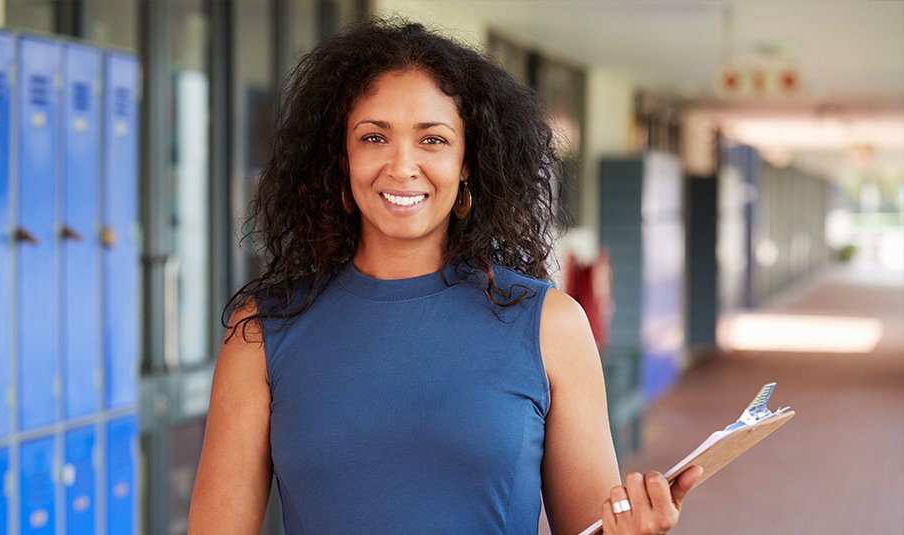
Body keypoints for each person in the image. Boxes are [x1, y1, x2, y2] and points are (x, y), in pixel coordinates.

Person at [188, 18, 701, 535]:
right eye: (373, 137)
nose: (402, 165)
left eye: (432, 139)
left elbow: (590, 527)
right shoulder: (262, 332)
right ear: (340, 158)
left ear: (467, 164)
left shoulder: (549, 325)